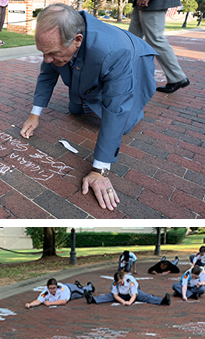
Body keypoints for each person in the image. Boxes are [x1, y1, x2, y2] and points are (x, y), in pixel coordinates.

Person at [20, 4, 157, 211]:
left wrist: (99, 170)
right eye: (43, 53)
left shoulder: (115, 52)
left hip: (134, 58)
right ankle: (89, 97)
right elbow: (47, 74)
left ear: (77, 40)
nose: (47, 59)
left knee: (124, 122)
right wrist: (34, 114)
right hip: (93, 57)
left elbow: (116, 107)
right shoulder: (56, 40)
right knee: (75, 108)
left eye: (53, 54)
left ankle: (133, 108)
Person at [128, 0, 190, 93]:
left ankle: (178, 77)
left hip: (153, 3)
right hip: (139, 4)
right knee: (132, 39)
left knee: (156, 40)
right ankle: (128, 75)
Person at [85, 271, 171, 306]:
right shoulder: (114, 283)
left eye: (120, 282)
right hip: (122, 295)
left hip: (132, 294)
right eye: (118, 282)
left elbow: (134, 294)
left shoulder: (130, 281)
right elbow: (115, 295)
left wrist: (129, 302)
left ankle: (162, 301)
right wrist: (123, 302)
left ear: (123, 278)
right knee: (108, 296)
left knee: (146, 297)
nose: (120, 284)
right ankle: (92, 299)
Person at [25, 278, 94, 308]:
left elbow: (63, 301)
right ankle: (77, 285)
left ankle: (90, 287)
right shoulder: (45, 292)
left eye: (54, 288)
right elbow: (38, 300)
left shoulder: (61, 289)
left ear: (56, 286)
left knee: (82, 293)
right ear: (47, 287)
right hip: (69, 291)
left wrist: (50, 303)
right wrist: (30, 304)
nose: (52, 290)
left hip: (71, 290)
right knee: (81, 292)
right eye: (50, 288)